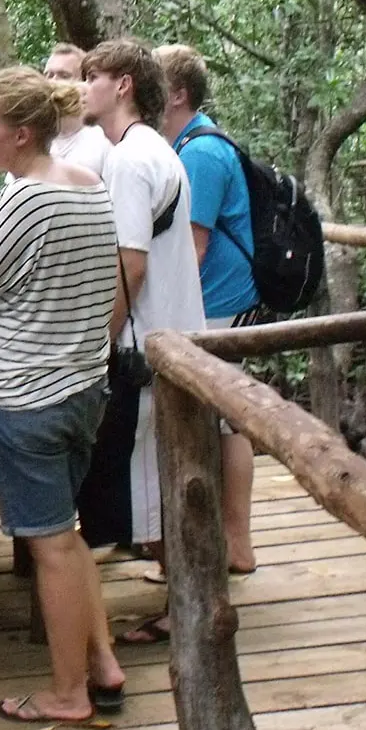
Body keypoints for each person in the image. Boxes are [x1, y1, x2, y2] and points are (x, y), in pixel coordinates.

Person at [0, 66, 125, 723]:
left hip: (25, 398)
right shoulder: (89, 187)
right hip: (80, 389)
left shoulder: (26, 199)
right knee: (66, 537)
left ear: (21, 134)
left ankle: (68, 693)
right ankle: (102, 662)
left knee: (49, 546)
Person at [80, 39, 207, 644]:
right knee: (158, 478)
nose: (83, 87)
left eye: (92, 76)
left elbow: (129, 265)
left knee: (150, 484)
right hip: (169, 336)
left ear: (124, 84)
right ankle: (186, 601)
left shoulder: (130, 160)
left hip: (145, 344)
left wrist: (95, 344)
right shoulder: (148, 150)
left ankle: (188, 608)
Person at [156, 43, 259, 577]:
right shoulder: (186, 146)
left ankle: (235, 541)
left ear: (176, 94)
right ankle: (219, 537)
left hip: (220, 304)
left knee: (223, 421)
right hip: (209, 301)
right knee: (218, 420)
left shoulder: (200, 152)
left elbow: (191, 249)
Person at [41, 43, 113, 176]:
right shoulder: (34, 138)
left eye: (64, 76)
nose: (53, 82)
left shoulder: (103, 140)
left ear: (84, 82)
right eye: (49, 75)